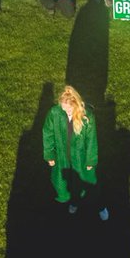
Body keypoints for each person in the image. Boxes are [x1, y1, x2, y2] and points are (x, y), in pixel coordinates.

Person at [42, 85, 108, 220]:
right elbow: (47, 133)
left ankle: (100, 206)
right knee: (67, 183)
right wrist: (49, 154)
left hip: (81, 158)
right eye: (63, 108)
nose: (66, 111)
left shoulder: (86, 117)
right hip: (63, 157)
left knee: (89, 184)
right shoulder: (54, 113)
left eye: (69, 109)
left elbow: (91, 140)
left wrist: (91, 160)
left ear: (76, 104)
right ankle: (74, 202)